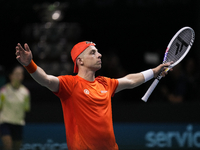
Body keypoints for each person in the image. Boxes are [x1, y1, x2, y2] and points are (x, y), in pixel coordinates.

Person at [15, 41, 171, 150]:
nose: (100, 55)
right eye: (93, 52)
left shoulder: (105, 83)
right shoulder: (70, 84)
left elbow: (130, 80)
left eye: (98, 52)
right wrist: (29, 64)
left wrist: (155, 71)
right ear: (80, 61)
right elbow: (46, 79)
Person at [0, 65, 31, 150]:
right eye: (16, 74)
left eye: (20, 74)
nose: (18, 76)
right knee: (8, 147)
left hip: (18, 124)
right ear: (11, 76)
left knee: (16, 148)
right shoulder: (3, 91)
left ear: (22, 77)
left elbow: (26, 108)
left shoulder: (25, 93)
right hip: (5, 123)